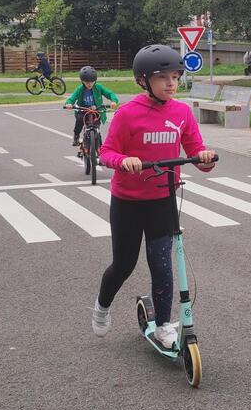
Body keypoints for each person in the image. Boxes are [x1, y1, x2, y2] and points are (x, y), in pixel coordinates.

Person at [92, 44, 217, 349]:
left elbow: (196, 151)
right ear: (143, 80)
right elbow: (106, 152)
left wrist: (205, 158)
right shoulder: (128, 113)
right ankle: (102, 306)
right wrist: (124, 160)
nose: (171, 83)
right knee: (124, 264)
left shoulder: (182, 112)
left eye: (175, 76)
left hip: (163, 200)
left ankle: (162, 326)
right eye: (163, 77)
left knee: (161, 265)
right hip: (128, 202)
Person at [62, 66, 119, 147]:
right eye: (87, 82)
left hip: (96, 110)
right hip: (83, 110)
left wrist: (114, 101)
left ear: (95, 80)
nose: (89, 84)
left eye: (92, 82)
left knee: (96, 126)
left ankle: (99, 144)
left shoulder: (98, 87)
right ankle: (76, 136)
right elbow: (72, 98)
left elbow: (109, 93)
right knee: (79, 120)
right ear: (82, 81)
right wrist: (69, 104)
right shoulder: (80, 89)